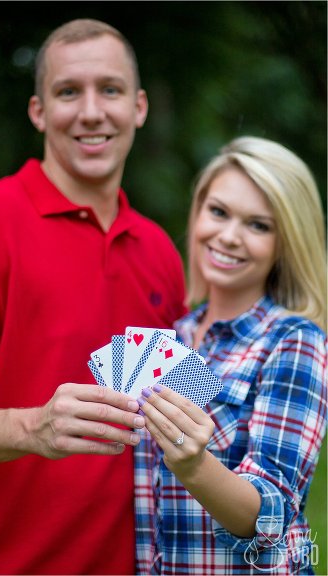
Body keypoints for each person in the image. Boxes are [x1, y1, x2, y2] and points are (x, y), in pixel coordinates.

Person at [0, 19, 187, 574]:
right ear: (38, 111)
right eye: (69, 92)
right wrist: (34, 428)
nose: (92, 112)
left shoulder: (160, 252)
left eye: (110, 90)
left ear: (139, 107)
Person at [134, 136, 327, 574]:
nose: (228, 236)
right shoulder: (172, 338)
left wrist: (194, 466)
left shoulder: (294, 340)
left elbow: (271, 517)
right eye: (218, 212)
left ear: (286, 242)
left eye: (258, 225)